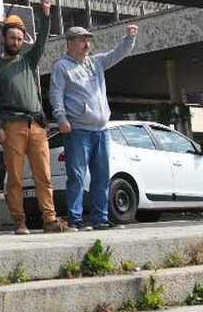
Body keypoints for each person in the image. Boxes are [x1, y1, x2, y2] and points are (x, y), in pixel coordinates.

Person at [0, 0, 71, 234]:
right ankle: (19, 220)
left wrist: (45, 15)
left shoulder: (28, 61)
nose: (16, 41)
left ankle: (50, 219)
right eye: (12, 37)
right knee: (14, 177)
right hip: (11, 124)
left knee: (43, 175)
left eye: (19, 38)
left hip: (36, 124)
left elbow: (43, 42)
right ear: (4, 39)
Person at [49, 23, 140, 230]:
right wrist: (61, 118)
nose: (87, 43)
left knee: (101, 177)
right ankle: (75, 219)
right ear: (70, 43)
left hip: (101, 130)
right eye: (82, 40)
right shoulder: (62, 67)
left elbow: (119, 53)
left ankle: (101, 219)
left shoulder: (96, 62)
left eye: (88, 39)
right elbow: (56, 94)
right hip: (78, 131)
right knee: (77, 177)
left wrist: (130, 38)